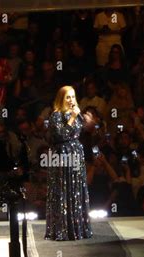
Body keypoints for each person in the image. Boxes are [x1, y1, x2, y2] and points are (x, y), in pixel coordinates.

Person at [44, 86, 93, 241]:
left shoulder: (77, 114)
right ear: (61, 99)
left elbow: (81, 132)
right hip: (62, 156)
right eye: (68, 97)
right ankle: (63, 229)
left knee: (76, 189)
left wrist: (88, 122)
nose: (71, 100)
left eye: (73, 96)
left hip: (76, 154)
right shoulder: (56, 115)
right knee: (64, 189)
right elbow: (61, 134)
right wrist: (72, 117)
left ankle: (78, 229)